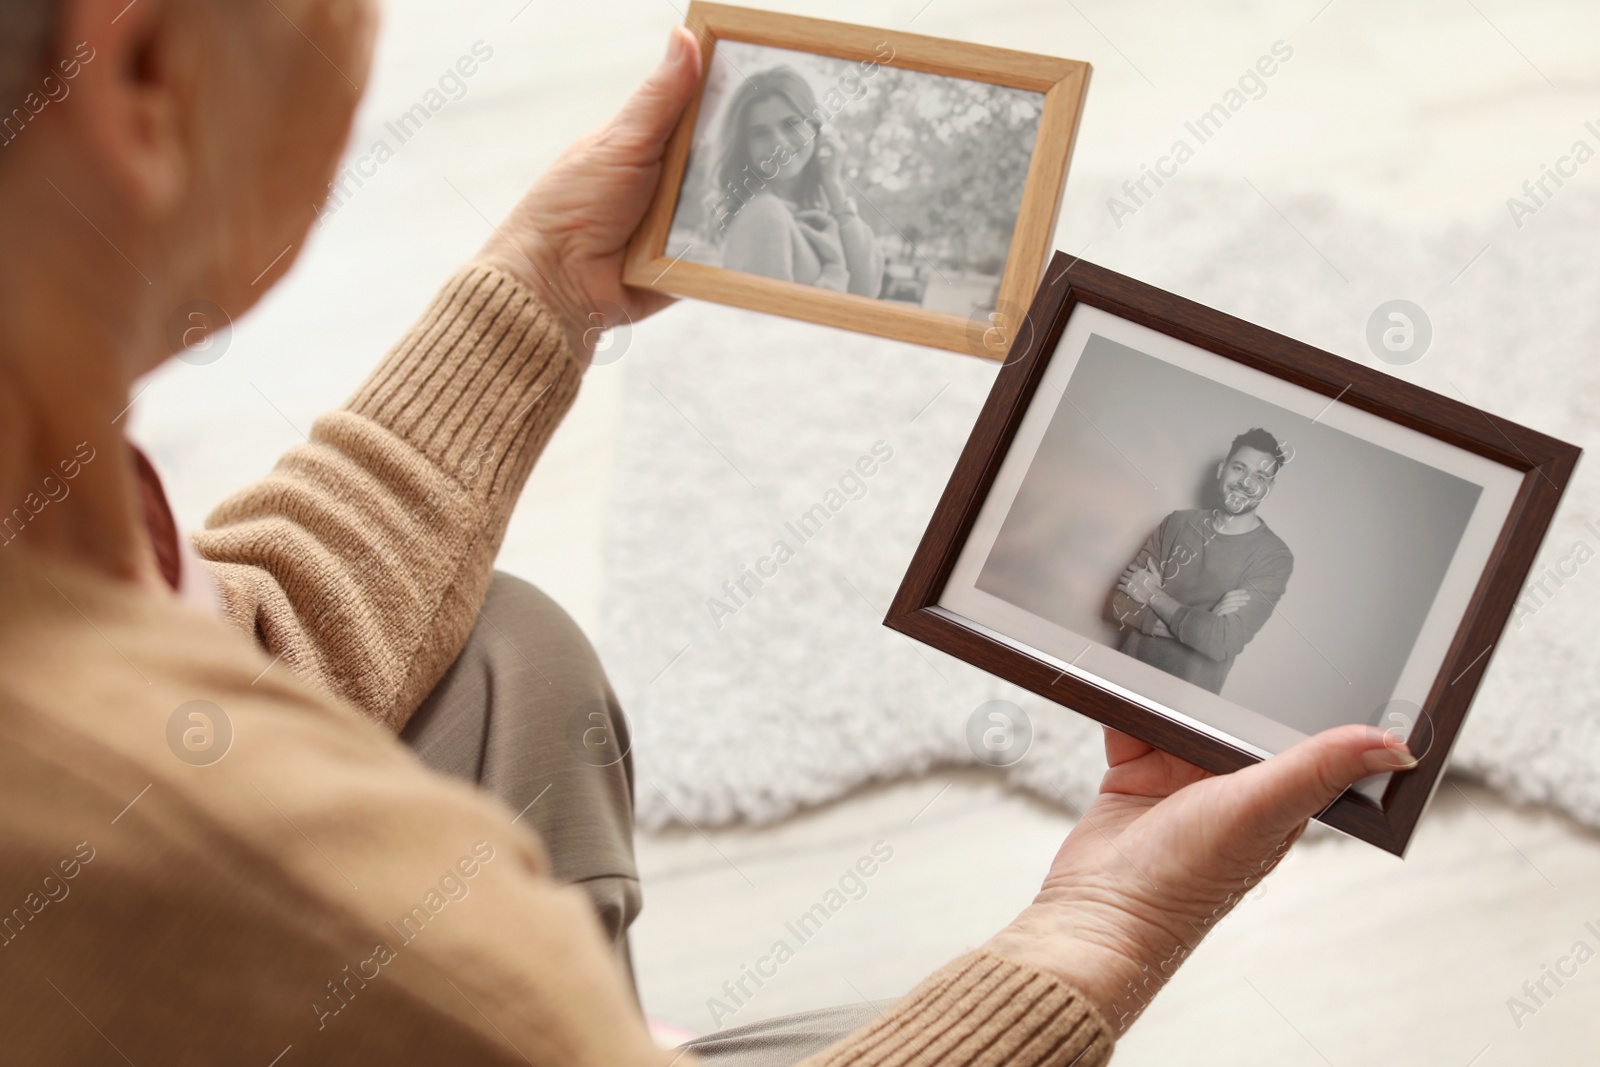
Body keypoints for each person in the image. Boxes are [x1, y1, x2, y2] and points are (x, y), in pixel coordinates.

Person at [0, 2, 1418, 1065]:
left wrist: (537, 292)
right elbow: (1152, 601)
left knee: (505, 646)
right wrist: (1096, 936)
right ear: (141, 73)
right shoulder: (297, 903)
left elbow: (227, 649)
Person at [1111, 428, 1295, 695]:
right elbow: (1120, 604)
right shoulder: (1177, 523)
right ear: (1222, 470)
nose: (1246, 482)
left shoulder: (1273, 557)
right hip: (1122, 677)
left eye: (1260, 476)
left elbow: (1220, 642)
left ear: (1269, 488)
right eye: (1240, 468)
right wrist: (1199, 627)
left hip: (1187, 702)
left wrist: (1154, 597)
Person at [707, 66, 884, 297]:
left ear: (814, 126)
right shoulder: (764, 212)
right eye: (760, 133)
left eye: (791, 124)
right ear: (744, 147)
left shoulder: (824, 204)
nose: (779, 143)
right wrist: (835, 269)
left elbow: (868, 288)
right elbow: (773, 325)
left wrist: (833, 185)